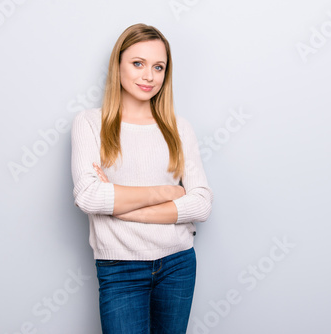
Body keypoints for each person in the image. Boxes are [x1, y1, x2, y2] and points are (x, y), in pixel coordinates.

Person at [70, 23, 214, 333]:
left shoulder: (179, 127)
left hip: (178, 264)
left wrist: (120, 203)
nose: (149, 76)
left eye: (158, 67)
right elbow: (89, 197)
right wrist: (168, 192)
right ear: (118, 64)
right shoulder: (90, 123)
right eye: (138, 63)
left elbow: (201, 205)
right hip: (119, 268)